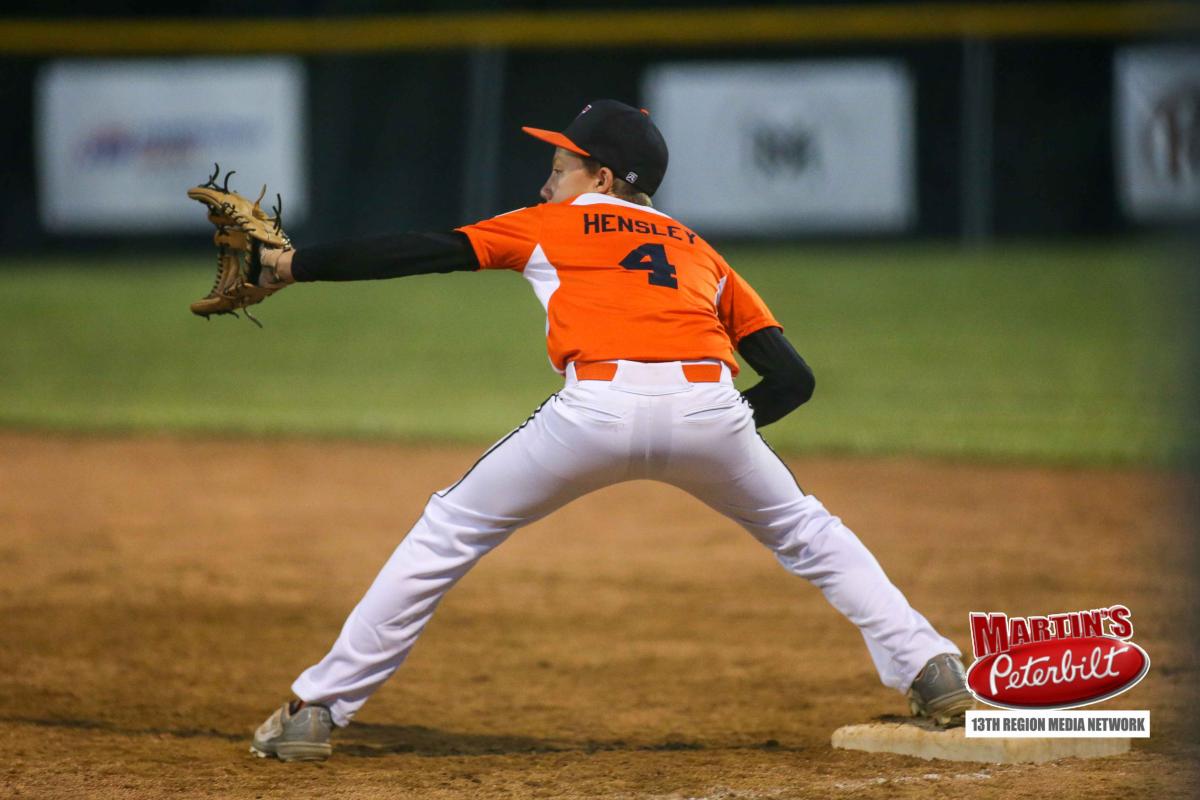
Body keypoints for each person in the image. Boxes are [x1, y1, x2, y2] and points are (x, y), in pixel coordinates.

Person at [247, 100, 972, 762]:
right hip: (710, 406)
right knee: (810, 534)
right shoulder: (698, 249)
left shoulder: (549, 225)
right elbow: (794, 380)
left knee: (449, 530)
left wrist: (289, 264)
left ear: (600, 176)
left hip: (595, 408)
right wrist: (709, 434)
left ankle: (317, 710)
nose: (545, 185)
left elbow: (418, 250)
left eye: (559, 168)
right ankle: (933, 669)